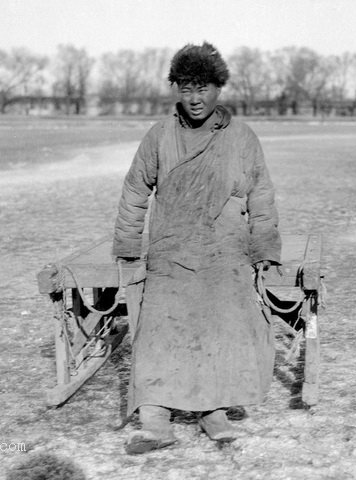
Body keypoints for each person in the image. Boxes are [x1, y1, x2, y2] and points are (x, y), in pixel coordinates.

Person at [112, 42, 281, 454]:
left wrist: (264, 250)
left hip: (224, 252)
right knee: (159, 332)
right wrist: (128, 243)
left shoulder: (241, 138)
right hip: (171, 251)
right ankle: (156, 421)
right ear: (175, 90)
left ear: (218, 88)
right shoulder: (159, 136)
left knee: (220, 329)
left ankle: (213, 412)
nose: (195, 98)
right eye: (185, 87)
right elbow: (135, 190)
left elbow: (261, 196)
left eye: (203, 87)